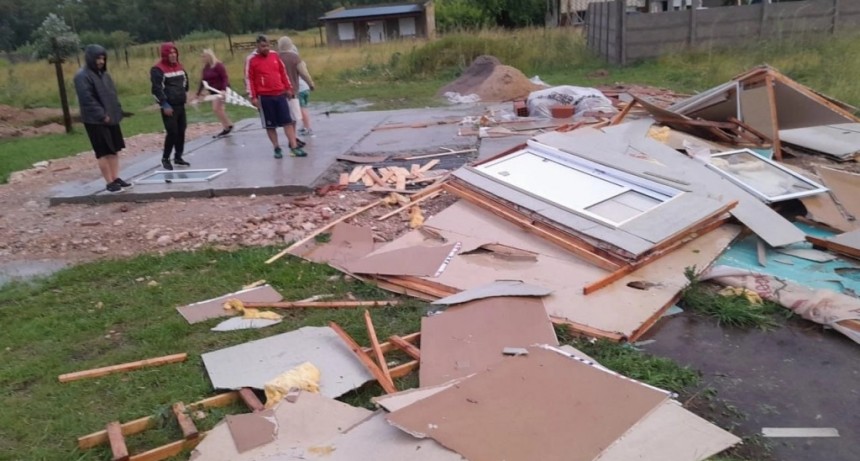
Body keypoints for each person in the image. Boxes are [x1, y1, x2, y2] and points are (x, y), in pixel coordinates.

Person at [73, 44, 130, 193]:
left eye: (103, 58)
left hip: (111, 117)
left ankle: (116, 177)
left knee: (114, 149)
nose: (101, 61)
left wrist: (117, 111)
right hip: (95, 121)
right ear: (91, 58)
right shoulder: (82, 76)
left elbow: (112, 94)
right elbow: (87, 99)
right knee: (103, 151)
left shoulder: (104, 75)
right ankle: (109, 181)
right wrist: (101, 115)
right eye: (98, 58)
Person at [246, 35, 306, 159]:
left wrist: (288, 88)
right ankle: (276, 147)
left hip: (280, 94)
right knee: (270, 125)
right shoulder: (251, 60)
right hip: (264, 96)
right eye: (263, 46)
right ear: (257, 45)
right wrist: (253, 97)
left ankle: (294, 147)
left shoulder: (274, 55)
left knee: (288, 122)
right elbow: (249, 79)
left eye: (268, 45)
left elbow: (283, 72)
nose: (266, 49)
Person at [151, 42, 190, 170]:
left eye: (174, 52)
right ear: (165, 54)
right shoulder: (158, 69)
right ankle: (166, 158)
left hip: (180, 104)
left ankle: (178, 156)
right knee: (172, 132)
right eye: (170, 53)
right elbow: (156, 89)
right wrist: (164, 104)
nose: (173, 55)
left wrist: (185, 93)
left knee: (181, 131)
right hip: (169, 106)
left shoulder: (180, 66)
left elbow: (185, 81)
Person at [276, 36, 315, 138]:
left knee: (287, 115)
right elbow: (304, 73)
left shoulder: (276, 58)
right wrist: (310, 84)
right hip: (294, 91)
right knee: (294, 115)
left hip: (280, 91)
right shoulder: (295, 58)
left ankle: (291, 138)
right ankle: (294, 138)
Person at [195, 48, 233, 138]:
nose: (202, 59)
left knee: (216, 108)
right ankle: (225, 127)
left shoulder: (218, 65)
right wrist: (198, 93)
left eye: (204, 57)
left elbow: (225, 78)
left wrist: (224, 89)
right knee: (219, 109)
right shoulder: (206, 68)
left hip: (221, 90)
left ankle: (229, 125)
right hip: (213, 91)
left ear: (209, 56)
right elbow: (203, 81)